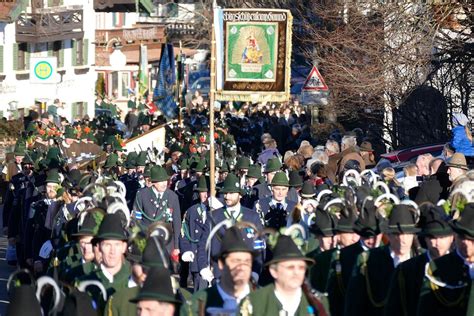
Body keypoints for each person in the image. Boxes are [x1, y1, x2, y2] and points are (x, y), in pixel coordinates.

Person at [344, 204, 421, 316]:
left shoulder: (421, 261)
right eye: (397, 234)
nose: (403, 240)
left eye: (408, 234)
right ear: (388, 235)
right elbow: (354, 305)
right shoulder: (369, 260)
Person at [384, 204, 454, 316]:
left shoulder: (461, 267)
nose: (437, 243)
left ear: (451, 238)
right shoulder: (406, 270)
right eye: (432, 238)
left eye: (442, 237)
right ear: (425, 239)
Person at [239, 235, 328, 315]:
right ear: (274, 271)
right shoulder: (254, 303)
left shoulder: (318, 302)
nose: (296, 272)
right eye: (290, 267)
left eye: (301, 267)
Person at [326, 197, 383, 316]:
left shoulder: (387, 254)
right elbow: (336, 296)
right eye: (366, 236)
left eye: (375, 235)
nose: (370, 240)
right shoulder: (344, 256)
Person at [416, 203, 474, 316]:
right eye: (462, 237)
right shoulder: (437, 269)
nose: (466, 244)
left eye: (472, 240)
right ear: (455, 236)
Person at [183, 226, 255, 315]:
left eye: (247, 261)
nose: (242, 267)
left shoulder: (266, 300)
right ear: (221, 264)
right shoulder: (195, 305)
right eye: (236, 261)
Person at [133, 165, 181, 258]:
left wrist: (176, 246)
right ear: (153, 182)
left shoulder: (172, 196)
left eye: (165, 181)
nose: (164, 184)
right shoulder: (142, 195)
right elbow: (136, 220)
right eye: (160, 181)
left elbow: (177, 222)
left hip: (166, 243)